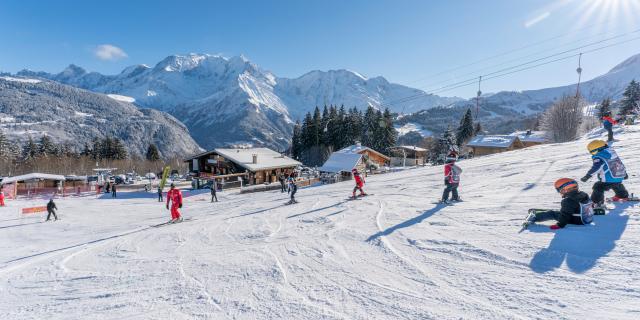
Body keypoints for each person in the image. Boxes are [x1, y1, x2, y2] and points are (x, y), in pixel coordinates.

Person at [523, 178, 593, 230]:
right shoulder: (583, 194)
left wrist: (560, 225)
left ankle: (534, 217)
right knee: (565, 210)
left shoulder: (568, 200)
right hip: (586, 218)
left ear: (565, 189)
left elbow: (565, 215)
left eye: (560, 190)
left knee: (552, 213)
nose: (560, 192)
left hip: (577, 220)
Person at [580, 139, 629, 206]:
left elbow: (596, 167)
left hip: (609, 178)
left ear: (598, 149)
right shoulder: (612, 153)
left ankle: (596, 202)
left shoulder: (600, 156)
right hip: (619, 176)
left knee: (598, 187)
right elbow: (619, 164)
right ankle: (622, 195)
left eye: (593, 152)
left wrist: (588, 175)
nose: (593, 154)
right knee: (617, 185)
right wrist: (624, 174)